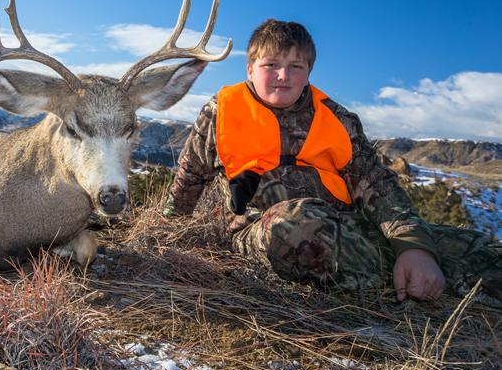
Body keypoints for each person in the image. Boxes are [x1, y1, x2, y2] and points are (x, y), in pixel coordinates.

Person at [163, 19, 501, 305]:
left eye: (296, 67)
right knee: (296, 225)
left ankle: (417, 272)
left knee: (478, 248)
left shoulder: (337, 119)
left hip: (350, 228)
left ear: (308, 73)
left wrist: (414, 248)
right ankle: (417, 285)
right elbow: (189, 178)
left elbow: (378, 185)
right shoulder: (220, 112)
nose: (283, 75)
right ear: (250, 69)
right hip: (263, 231)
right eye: (271, 65)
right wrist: (164, 235)